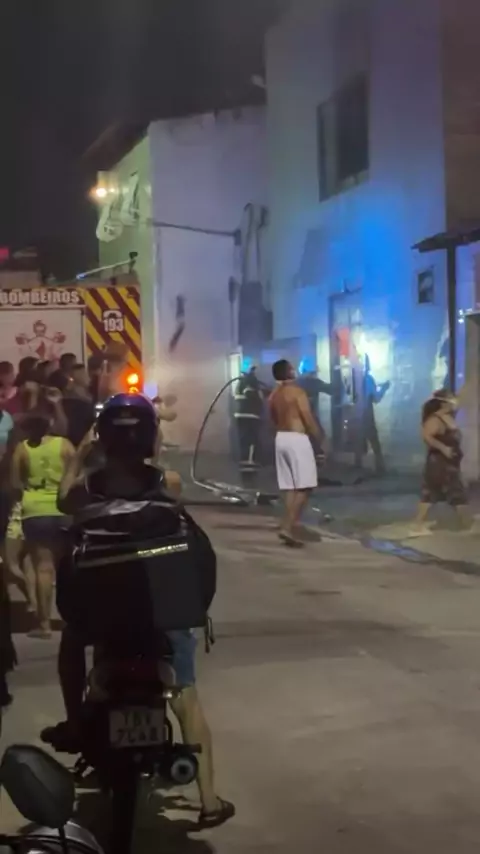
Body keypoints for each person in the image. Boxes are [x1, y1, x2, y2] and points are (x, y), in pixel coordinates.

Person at [50, 395, 234, 829]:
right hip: (162, 610)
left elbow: (62, 502)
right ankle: (209, 800)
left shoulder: (87, 488)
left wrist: (80, 453)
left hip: (102, 614)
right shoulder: (168, 481)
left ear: (104, 440)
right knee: (185, 696)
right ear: (150, 438)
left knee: (71, 645)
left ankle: (74, 722)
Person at [10, 408, 75, 638]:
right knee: (66, 567)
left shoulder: (22, 449)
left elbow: (15, 483)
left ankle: (44, 624)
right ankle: (71, 619)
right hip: (64, 509)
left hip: (35, 511)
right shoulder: (65, 445)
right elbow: (74, 473)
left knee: (42, 568)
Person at [269, 359, 322, 546]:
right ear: (289, 372)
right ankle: (287, 526)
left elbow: (273, 418)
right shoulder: (298, 392)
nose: (294, 370)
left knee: (291, 486)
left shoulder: (274, 395)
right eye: (292, 368)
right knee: (305, 487)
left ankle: (290, 524)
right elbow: (307, 416)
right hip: (297, 439)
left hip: (281, 439)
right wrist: (319, 438)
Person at [410, 389, 469, 535]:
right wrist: (444, 448)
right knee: (452, 493)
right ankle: (467, 524)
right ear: (443, 403)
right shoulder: (435, 419)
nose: (455, 402)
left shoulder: (449, 417)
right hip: (439, 463)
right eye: (451, 400)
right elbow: (427, 436)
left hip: (450, 463)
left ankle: (417, 525)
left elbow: (462, 401)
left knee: (437, 494)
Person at [233, 366, 265, 472]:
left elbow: (238, 396)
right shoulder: (252, 382)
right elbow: (255, 396)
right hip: (252, 415)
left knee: (243, 438)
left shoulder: (239, 383)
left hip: (240, 415)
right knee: (253, 439)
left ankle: (244, 459)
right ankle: (251, 461)